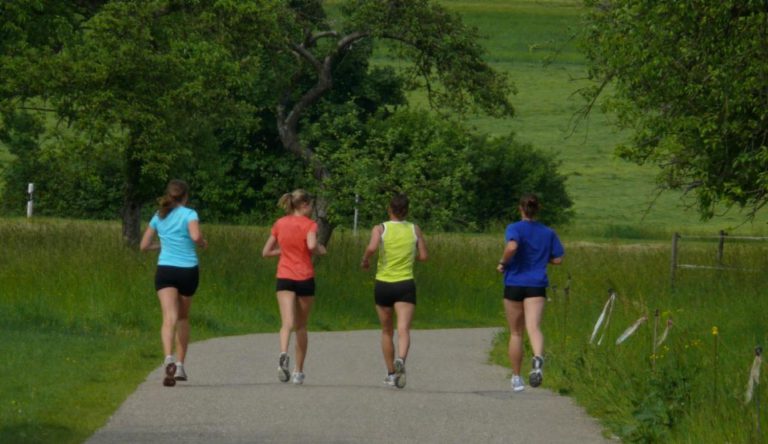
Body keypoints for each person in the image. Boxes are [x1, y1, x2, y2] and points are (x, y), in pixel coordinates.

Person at [140, 179, 207, 387]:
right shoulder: (190, 214)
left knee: (168, 317)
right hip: (187, 270)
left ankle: (167, 357)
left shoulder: (159, 215)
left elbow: (143, 245)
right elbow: (195, 236)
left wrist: (162, 245)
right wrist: (202, 243)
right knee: (183, 318)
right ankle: (179, 365)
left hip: (166, 269)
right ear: (185, 196)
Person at [497, 193, 564, 392]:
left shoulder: (514, 228)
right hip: (536, 284)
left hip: (515, 283)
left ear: (521, 208)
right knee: (534, 327)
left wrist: (503, 262)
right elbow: (558, 259)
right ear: (538, 209)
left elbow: (512, 246)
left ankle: (517, 378)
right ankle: (537, 358)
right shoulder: (548, 232)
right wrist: (544, 258)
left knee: (516, 333)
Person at [361, 194, 428, 388]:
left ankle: (391, 373)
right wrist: (411, 255)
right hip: (405, 283)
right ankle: (401, 359)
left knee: (386, 331)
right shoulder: (414, 229)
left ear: (389, 209)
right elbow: (424, 256)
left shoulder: (380, 228)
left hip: (383, 284)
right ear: (407, 210)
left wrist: (365, 259)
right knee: (404, 329)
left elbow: (372, 247)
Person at [262, 189, 326, 385]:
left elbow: (266, 252)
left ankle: (283, 354)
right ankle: (298, 372)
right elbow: (312, 245)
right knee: (301, 326)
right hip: (304, 277)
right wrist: (322, 250)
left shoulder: (280, 223)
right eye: (311, 206)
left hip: (284, 276)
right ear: (304, 205)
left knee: (286, 323)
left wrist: (284, 250)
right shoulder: (310, 225)